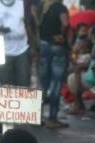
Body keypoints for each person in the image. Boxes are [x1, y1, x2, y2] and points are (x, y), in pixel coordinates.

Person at [0, 0, 34, 87]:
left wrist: (32, 47)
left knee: (24, 84)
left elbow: (29, 24)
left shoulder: (22, 4)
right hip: (3, 53)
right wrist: (0, 29)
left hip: (22, 50)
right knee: (6, 85)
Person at [39, 0, 70, 128]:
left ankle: (37, 117)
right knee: (56, 83)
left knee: (44, 83)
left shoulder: (41, 7)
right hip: (57, 47)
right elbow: (66, 23)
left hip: (43, 46)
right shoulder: (60, 7)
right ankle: (52, 118)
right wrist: (62, 33)